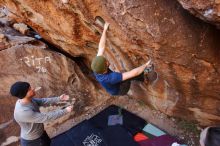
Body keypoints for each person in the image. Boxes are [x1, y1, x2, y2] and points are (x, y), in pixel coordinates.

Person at [91, 22, 152, 96]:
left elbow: (101, 47)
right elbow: (133, 73)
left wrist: (104, 30)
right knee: (127, 76)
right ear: (104, 71)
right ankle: (144, 74)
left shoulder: (97, 66)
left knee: (124, 73)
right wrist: (146, 64)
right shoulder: (111, 77)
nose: (107, 60)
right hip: (120, 90)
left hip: (113, 85)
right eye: (106, 62)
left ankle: (142, 77)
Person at [10, 81, 73, 146]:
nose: (33, 89)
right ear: (23, 94)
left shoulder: (28, 100)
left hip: (40, 132)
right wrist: (65, 111)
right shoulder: (23, 112)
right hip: (32, 140)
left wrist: (59, 98)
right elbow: (46, 117)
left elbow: (43, 101)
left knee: (48, 142)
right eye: (29, 89)